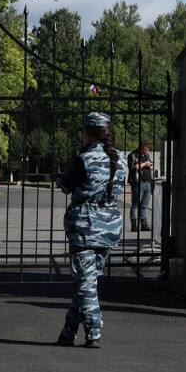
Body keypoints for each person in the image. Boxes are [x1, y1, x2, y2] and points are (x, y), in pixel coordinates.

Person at [56, 112, 127, 348]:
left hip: (85, 226)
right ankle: (68, 332)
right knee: (87, 279)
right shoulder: (121, 160)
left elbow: (67, 185)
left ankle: (94, 330)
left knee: (86, 283)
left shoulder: (84, 159)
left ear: (87, 132)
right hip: (109, 226)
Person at [127, 140, 154, 234]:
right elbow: (132, 167)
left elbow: (150, 164)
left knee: (144, 205)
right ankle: (134, 225)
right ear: (143, 146)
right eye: (147, 147)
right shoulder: (133, 155)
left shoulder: (146, 155)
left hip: (147, 182)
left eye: (149, 147)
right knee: (135, 204)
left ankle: (144, 224)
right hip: (138, 182)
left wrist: (149, 164)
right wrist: (144, 164)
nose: (148, 149)